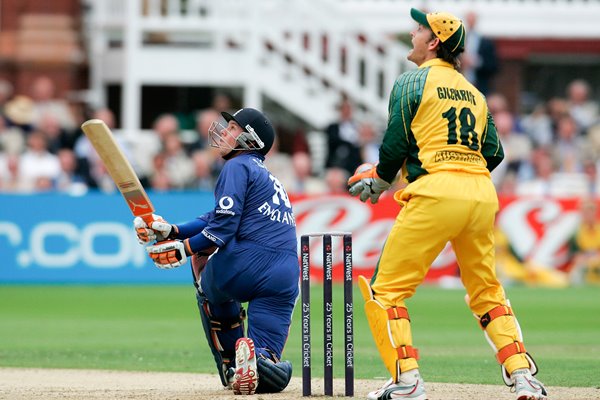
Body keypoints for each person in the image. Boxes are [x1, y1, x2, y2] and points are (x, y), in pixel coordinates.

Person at [347, 8, 548, 400]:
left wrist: (381, 178)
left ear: (434, 41)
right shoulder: (474, 92)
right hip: (480, 193)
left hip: (436, 192)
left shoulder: (412, 82)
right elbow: (495, 152)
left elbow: (395, 143)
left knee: (386, 291)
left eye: (419, 28)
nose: (412, 32)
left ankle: (407, 382)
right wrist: (459, 165)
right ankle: (522, 375)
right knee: (487, 292)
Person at [133, 108, 297, 395]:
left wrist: (182, 249)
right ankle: (263, 365)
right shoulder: (268, 177)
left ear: (250, 140)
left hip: (246, 265)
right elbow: (215, 217)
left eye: (233, 127)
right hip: (285, 275)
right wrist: (173, 231)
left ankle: (232, 365)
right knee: (265, 362)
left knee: (201, 259)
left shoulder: (236, 166)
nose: (223, 131)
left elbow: (222, 229)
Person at [460, 11, 498, 95]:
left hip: (479, 85)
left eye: (472, 20)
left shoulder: (485, 42)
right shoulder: (460, 38)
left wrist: (476, 62)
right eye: (469, 20)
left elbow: (493, 65)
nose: (470, 22)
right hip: (461, 84)